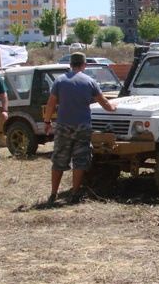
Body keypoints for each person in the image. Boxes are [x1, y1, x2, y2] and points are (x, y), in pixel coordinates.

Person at [43, 52, 116, 205]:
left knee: (59, 159)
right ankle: (75, 194)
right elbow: (105, 104)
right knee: (80, 160)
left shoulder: (60, 81)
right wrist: (114, 107)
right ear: (84, 65)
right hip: (82, 126)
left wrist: (47, 121)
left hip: (63, 125)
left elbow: (51, 103)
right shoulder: (90, 81)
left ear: (70, 64)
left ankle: (53, 194)